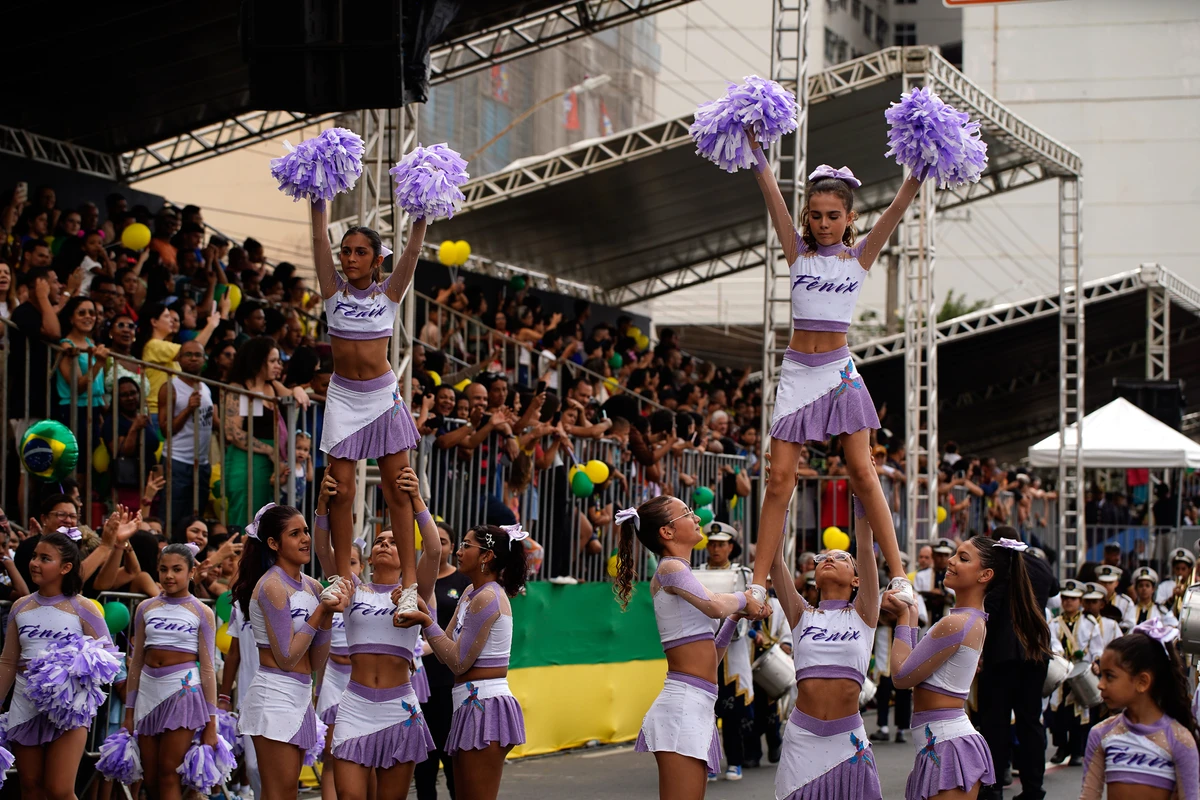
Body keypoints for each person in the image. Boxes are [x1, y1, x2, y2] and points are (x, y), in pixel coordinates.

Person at [746, 132, 923, 614]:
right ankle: (758, 582)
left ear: (849, 219)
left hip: (840, 373)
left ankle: (901, 576)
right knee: (780, 478)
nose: (823, 224)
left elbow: (898, 207)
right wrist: (755, 146)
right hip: (798, 372)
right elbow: (769, 189)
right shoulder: (795, 250)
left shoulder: (859, 256)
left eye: (833, 216)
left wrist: (923, 167)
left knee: (863, 472)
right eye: (816, 215)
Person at [310, 199, 427, 613]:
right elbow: (317, 242)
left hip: (382, 398)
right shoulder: (331, 290)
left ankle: (409, 585)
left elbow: (412, 253)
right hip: (343, 398)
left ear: (378, 259)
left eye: (360, 252)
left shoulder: (391, 292)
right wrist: (318, 203)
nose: (350, 258)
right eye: (346, 251)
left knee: (399, 490)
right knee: (340, 489)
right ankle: (341, 578)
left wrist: (421, 218)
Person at [613, 497, 763, 800]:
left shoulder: (683, 573)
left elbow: (712, 655)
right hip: (682, 705)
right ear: (667, 532)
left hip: (697, 703)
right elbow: (714, 605)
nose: (697, 518)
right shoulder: (670, 568)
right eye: (688, 513)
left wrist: (735, 617)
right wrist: (745, 599)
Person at [884, 535, 1051, 800]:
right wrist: (912, 616)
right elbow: (917, 669)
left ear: (985, 575)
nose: (950, 561)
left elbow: (902, 677)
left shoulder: (956, 623)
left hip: (947, 746)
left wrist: (904, 619)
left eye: (963, 558)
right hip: (941, 743)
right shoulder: (971, 619)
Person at [324, 468, 442, 800]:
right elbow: (326, 547)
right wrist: (325, 503)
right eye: (379, 541)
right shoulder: (352, 588)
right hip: (355, 704)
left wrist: (417, 498)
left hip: (398, 708)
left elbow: (432, 551)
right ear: (370, 555)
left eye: (393, 541)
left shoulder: (412, 591)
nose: (385, 545)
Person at [232, 503, 351, 800]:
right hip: (273, 694)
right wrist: (321, 611)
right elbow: (286, 657)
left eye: (306, 531)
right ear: (273, 543)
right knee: (278, 793)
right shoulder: (272, 585)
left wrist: (329, 616)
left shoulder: (311, 586)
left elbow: (315, 661)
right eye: (294, 533)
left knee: (289, 792)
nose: (305, 539)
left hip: (300, 695)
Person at [768, 503, 884, 799]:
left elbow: (867, 548)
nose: (830, 559)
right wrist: (780, 502)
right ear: (814, 578)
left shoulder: (864, 613)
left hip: (847, 738)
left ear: (857, 579)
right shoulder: (800, 614)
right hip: (802, 737)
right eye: (824, 559)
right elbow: (774, 561)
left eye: (842, 558)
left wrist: (861, 498)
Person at [413, 522, 529, 800]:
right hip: (468, 703)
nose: (459, 551)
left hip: (486, 706)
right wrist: (411, 648)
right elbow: (444, 644)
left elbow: (458, 661)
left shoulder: (487, 596)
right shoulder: (470, 593)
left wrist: (426, 620)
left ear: (486, 556)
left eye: (466, 545)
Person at [0, 528, 113, 800]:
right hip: (25, 704)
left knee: (60, 790)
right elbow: (8, 661)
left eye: (45, 558)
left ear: (66, 567)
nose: (35, 563)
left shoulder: (83, 606)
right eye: (35, 556)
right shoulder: (20, 607)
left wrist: (68, 667)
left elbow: (108, 655)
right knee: (31, 787)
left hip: (69, 708)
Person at [123, 542, 219, 800]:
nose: (169, 576)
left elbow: (208, 667)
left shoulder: (202, 611)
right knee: (150, 778)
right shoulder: (145, 608)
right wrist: (129, 712)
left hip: (182, 692)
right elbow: (136, 661)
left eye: (177, 569)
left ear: (191, 572)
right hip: (147, 694)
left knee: (169, 772)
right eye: (164, 569)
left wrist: (212, 722)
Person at [976, 525, 1058, 800]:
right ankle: (1034, 789)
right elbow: (1054, 589)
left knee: (994, 723)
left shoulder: (995, 570)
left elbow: (990, 613)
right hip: (1035, 655)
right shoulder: (1040, 567)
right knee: (1031, 722)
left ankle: (993, 787)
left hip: (1000, 657)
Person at [1081, 621, 1199, 800]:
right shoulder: (1101, 734)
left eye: (1109, 676)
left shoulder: (1179, 739)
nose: (1100, 684)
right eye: (1101, 675)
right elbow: (1088, 796)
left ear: (1142, 682)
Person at [414, 521, 473, 800]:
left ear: (450, 547)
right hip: (417, 682)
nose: (436, 544)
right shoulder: (412, 580)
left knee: (451, 756)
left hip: (448, 680)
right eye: (430, 538)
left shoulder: (464, 584)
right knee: (422, 759)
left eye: (444, 540)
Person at [697, 522, 755, 780]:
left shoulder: (742, 574)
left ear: (731, 546)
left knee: (732, 713)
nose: (716, 548)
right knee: (704, 711)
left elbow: (755, 608)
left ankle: (735, 761)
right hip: (703, 650)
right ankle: (708, 763)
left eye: (721, 544)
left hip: (733, 653)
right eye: (712, 544)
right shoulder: (695, 573)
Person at [313, 529, 362, 800]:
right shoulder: (326, 594)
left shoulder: (367, 594)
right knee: (332, 752)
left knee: (364, 752)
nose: (347, 567)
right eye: (345, 562)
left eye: (353, 562)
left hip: (360, 680)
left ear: (362, 566)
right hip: (333, 677)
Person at [159, 339, 214, 531]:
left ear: (204, 359)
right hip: (177, 462)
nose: (193, 359)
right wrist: (188, 409)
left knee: (194, 521)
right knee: (173, 519)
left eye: (197, 355)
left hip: (201, 464)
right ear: (179, 359)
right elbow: (165, 429)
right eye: (188, 354)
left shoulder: (205, 388)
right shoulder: (171, 387)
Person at [53, 295, 108, 432]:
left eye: (92, 313)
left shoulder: (91, 344)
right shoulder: (66, 345)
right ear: (71, 318)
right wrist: (99, 363)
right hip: (75, 410)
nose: (88, 317)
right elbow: (77, 386)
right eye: (81, 313)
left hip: (94, 408)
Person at [915, 538, 955, 627]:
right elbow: (917, 599)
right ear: (933, 555)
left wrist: (944, 594)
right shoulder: (921, 575)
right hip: (927, 622)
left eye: (946, 555)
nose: (942, 558)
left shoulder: (956, 576)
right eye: (939, 555)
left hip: (949, 622)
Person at [1155, 547, 1195, 620]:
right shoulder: (1164, 586)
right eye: (1177, 568)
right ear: (1173, 569)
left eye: (1183, 569)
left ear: (1189, 570)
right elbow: (1159, 609)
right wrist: (1172, 598)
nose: (1180, 572)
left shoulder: (1194, 586)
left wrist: (1184, 595)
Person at [1096, 564, 1134, 632]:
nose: (1106, 586)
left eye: (1110, 583)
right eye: (1103, 582)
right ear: (1098, 582)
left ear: (1116, 583)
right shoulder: (1091, 601)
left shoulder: (1126, 602)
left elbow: (1130, 624)